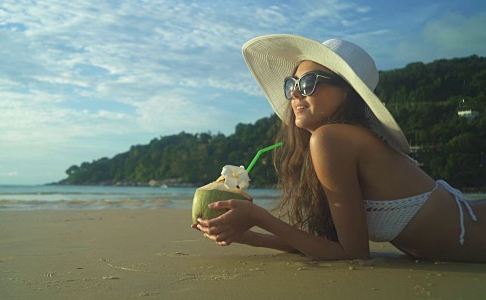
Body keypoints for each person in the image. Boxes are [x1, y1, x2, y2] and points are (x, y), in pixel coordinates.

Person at [193, 34, 486, 262]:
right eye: (292, 83)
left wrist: (260, 218)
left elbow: (352, 254)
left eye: (308, 82)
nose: (295, 92)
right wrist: (250, 236)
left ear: (348, 93)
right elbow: (329, 246)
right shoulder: (336, 143)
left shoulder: (331, 140)